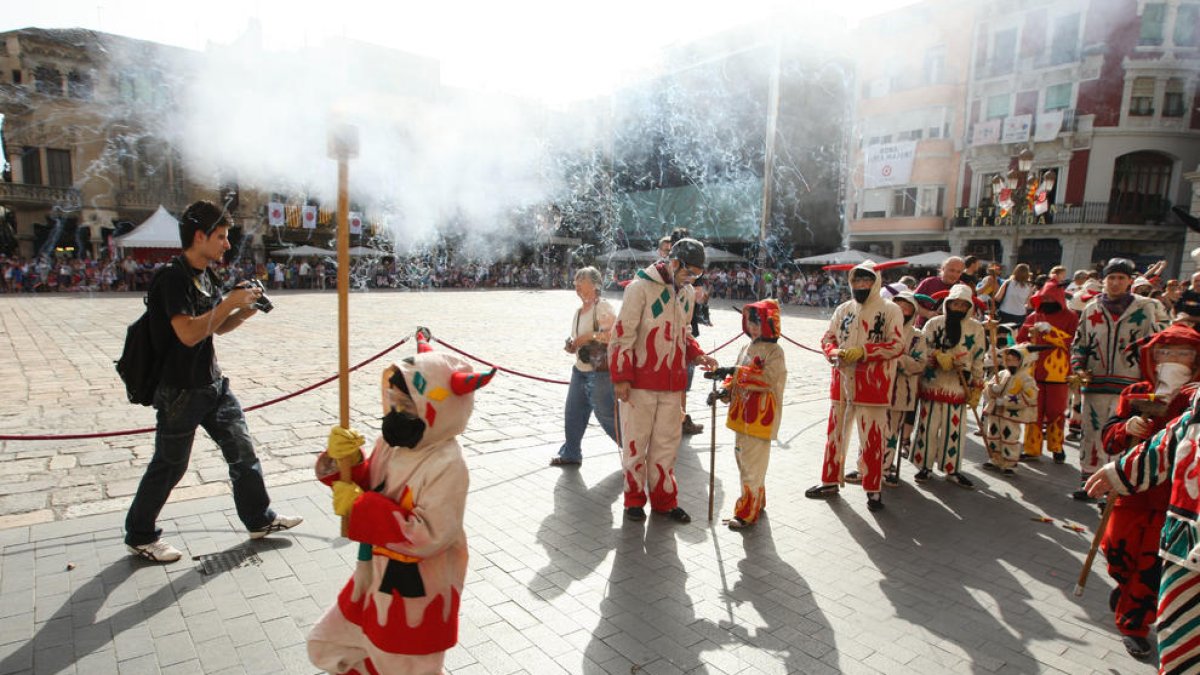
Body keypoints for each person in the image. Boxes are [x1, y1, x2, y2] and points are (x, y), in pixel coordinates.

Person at [123, 200, 301, 563]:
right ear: (199, 236)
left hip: (212, 384)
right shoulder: (171, 278)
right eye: (220, 237)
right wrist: (228, 303)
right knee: (171, 465)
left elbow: (215, 327)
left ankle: (259, 519)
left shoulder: (206, 274)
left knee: (242, 450)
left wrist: (245, 309)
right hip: (179, 391)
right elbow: (187, 333)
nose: (227, 244)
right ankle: (140, 533)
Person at [307, 337, 494, 674]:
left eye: (407, 408)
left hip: (419, 586)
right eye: (392, 403)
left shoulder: (448, 463)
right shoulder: (393, 443)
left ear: (435, 408)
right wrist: (346, 462)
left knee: (405, 661)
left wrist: (362, 506)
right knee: (339, 640)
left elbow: (429, 534)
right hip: (376, 572)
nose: (395, 414)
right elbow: (373, 483)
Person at [1092, 324, 1200, 660]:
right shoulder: (1136, 392)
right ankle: (1125, 592)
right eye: (1164, 353)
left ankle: (1134, 624)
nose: (1172, 360)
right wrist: (1127, 428)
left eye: (1182, 353)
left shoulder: (1193, 399)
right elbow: (1109, 438)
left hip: (1172, 500)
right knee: (1118, 555)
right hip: (1129, 494)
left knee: (1149, 567)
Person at [609, 238, 718, 523]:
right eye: (688, 271)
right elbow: (623, 335)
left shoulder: (687, 295)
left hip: (672, 385)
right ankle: (633, 500)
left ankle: (665, 501)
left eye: (696, 274)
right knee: (636, 444)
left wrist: (697, 354)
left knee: (667, 446)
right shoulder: (639, 288)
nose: (692, 278)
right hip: (640, 384)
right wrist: (621, 377)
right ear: (673, 262)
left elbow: (683, 332)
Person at [805, 261, 904, 511]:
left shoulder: (891, 310)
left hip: (874, 385)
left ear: (876, 281)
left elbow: (896, 345)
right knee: (834, 435)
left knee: (872, 439)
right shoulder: (843, 309)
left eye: (866, 280)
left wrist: (864, 352)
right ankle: (829, 481)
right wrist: (832, 351)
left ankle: (873, 489)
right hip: (841, 382)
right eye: (857, 280)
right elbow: (828, 337)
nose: (861, 285)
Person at [1071, 258, 1165, 500]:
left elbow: (1158, 344)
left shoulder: (1146, 308)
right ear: (1104, 280)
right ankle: (1089, 482)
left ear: (1130, 281)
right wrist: (1078, 367)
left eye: (1121, 278)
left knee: (1121, 434)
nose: (1115, 283)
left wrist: (1154, 380)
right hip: (1096, 383)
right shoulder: (1092, 308)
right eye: (1111, 277)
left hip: (1130, 385)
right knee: (1092, 432)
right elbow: (1079, 342)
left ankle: (1114, 488)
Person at [711, 300, 786, 529]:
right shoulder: (746, 347)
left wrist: (735, 372)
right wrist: (724, 391)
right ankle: (757, 502)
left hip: (760, 417)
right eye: (751, 323)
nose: (753, 328)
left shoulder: (775, 351)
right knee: (745, 463)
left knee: (752, 466)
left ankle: (746, 512)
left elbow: (767, 380)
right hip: (741, 416)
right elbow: (735, 376)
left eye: (758, 323)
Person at [911, 283, 986, 488]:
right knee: (927, 428)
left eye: (963, 305)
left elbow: (979, 357)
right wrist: (936, 356)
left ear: (969, 306)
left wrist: (977, 387)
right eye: (955, 304)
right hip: (932, 384)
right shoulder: (933, 324)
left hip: (959, 387)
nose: (959, 308)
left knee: (955, 431)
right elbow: (921, 349)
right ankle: (924, 466)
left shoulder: (976, 328)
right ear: (948, 303)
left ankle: (952, 469)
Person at [551, 267, 618, 467]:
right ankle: (571, 452)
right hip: (580, 369)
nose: (577, 285)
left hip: (600, 372)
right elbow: (577, 339)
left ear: (595, 284)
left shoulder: (603, 307)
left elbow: (612, 335)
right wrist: (572, 345)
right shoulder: (579, 312)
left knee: (606, 415)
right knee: (573, 412)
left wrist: (586, 337)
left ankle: (635, 448)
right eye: (575, 281)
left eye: (582, 280)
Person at [1016, 280, 1080, 463]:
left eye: (1050, 297)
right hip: (1034, 372)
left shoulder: (1071, 317)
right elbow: (1021, 340)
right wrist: (1029, 339)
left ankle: (1057, 446)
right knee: (1033, 412)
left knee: (1056, 411)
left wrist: (1052, 333)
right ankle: (1031, 448)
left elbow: (1073, 342)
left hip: (1058, 373)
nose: (1047, 300)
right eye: (1044, 297)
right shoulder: (1034, 317)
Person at [881, 287, 925, 486]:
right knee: (873, 431)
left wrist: (897, 358)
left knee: (891, 433)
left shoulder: (917, 337)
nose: (901, 311)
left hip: (900, 392)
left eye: (906, 308)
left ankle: (886, 467)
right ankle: (867, 465)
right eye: (898, 306)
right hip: (878, 389)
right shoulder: (882, 329)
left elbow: (920, 363)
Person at [980, 345, 1040, 475]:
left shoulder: (1026, 378)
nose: (1011, 363)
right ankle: (995, 459)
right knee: (993, 436)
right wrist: (992, 389)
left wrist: (1006, 400)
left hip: (1011, 415)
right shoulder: (1000, 373)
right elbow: (987, 389)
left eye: (1014, 360)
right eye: (1008, 360)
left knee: (1010, 438)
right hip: (995, 412)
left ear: (1021, 361)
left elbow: (1030, 396)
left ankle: (1010, 463)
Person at [914, 256, 966, 327]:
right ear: (943, 269)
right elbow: (912, 303)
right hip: (924, 327)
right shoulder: (928, 282)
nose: (954, 275)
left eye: (958, 272)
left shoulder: (963, 288)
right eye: (952, 270)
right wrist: (927, 313)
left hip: (952, 329)